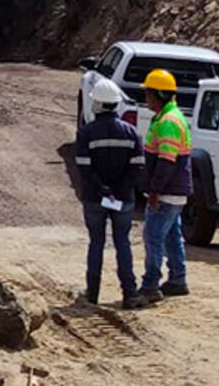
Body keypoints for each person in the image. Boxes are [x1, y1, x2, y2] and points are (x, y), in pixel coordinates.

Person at [75, 77, 148, 310]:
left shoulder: (87, 133)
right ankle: (129, 293)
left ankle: (92, 293)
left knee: (96, 243)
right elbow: (137, 167)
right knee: (122, 243)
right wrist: (118, 190)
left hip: (95, 198)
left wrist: (103, 189)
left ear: (96, 104)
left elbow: (84, 167)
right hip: (123, 198)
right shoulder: (132, 133)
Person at [140, 68, 193, 303]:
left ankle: (151, 284)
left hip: (168, 192)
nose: (146, 98)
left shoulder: (169, 122)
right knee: (172, 236)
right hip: (175, 191)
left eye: (149, 94)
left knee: (153, 237)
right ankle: (177, 279)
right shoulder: (168, 117)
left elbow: (166, 161)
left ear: (158, 95)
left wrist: (155, 191)